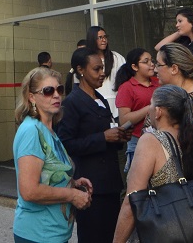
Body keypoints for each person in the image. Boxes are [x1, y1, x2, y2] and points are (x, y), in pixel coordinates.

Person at [112, 85, 193, 243]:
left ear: (158, 112)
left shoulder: (151, 142)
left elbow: (130, 204)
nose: (149, 110)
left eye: (151, 105)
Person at [57, 48, 130, 243]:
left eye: (103, 68)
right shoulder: (72, 103)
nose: (102, 73)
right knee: (93, 237)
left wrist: (119, 137)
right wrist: (102, 138)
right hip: (90, 186)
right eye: (96, 69)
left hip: (111, 183)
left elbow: (106, 134)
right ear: (80, 70)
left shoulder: (101, 99)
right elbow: (66, 144)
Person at [13, 66, 93, 243]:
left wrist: (72, 182)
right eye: (48, 91)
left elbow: (47, 174)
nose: (56, 95)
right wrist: (72, 195)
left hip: (53, 234)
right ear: (32, 97)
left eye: (59, 89)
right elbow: (29, 191)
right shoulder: (32, 131)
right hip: (38, 235)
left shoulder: (49, 131)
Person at [114, 47, 159, 171]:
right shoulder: (127, 87)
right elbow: (124, 120)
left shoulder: (158, 82)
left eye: (151, 60)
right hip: (138, 141)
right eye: (146, 62)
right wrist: (150, 108)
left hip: (160, 138)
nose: (151, 65)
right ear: (134, 67)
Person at [85, 26, 126, 117]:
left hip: (116, 105)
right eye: (100, 37)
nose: (104, 40)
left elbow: (125, 79)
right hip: (96, 105)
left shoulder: (116, 57)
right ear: (92, 39)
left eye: (105, 37)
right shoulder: (86, 60)